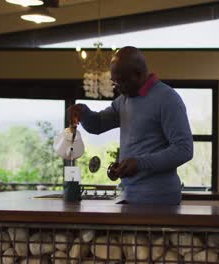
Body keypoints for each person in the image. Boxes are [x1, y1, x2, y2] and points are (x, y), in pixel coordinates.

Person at [68, 46, 193, 205]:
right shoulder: (124, 100)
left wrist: (140, 163)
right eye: (114, 82)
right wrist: (82, 112)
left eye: (120, 81)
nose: (117, 88)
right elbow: (97, 124)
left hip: (160, 199)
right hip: (129, 195)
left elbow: (184, 149)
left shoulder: (167, 99)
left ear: (138, 74)